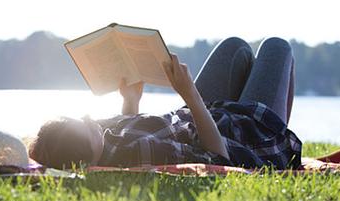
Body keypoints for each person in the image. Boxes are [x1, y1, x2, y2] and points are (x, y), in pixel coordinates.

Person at [28, 37, 302, 170]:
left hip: (204, 114)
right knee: (277, 47)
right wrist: (190, 94)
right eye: (86, 127)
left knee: (234, 47)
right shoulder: (143, 152)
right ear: (86, 153)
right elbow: (219, 158)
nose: (90, 118)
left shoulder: (102, 146)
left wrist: (130, 102)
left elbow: (123, 135)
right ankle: (281, 133)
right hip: (246, 134)